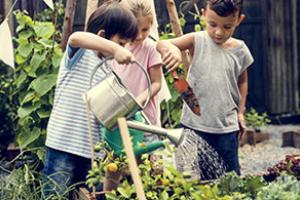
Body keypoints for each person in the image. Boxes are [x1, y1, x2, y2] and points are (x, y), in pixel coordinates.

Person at [43, 2, 138, 197]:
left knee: (93, 195)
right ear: (102, 36)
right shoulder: (80, 55)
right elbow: (76, 37)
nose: (122, 49)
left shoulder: (108, 70)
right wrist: (115, 49)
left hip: (91, 152)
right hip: (63, 144)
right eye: (121, 43)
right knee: (55, 194)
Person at [157, 0, 254, 177]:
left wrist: (240, 112)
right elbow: (162, 44)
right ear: (203, 15)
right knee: (188, 178)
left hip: (226, 127)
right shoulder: (197, 40)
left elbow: (243, 82)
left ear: (239, 20)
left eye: (227, 27)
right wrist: (173, 51)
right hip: (193, 124)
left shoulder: (240, 50)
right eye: (212, 24)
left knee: (229, 179)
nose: (218, 32)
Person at [113, 0, 163, 127]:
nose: (139, 35)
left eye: (145, 29)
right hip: (122, 116)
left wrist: (138, 101)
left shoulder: (151, 48)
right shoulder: (116, 48)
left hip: (146, 119)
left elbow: (157, 83)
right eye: (135, 29)